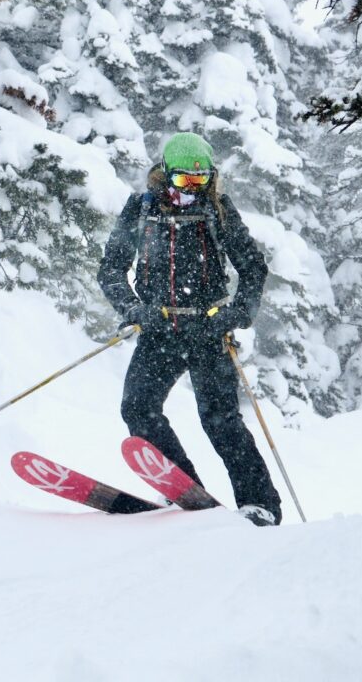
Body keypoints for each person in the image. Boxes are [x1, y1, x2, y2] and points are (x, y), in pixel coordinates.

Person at [97, 132, 282, 526]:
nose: (192, 190)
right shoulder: (141, 209)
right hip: (160, 328)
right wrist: (133, 308)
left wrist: (238, 312)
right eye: (183, 181)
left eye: (201, 181)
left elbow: (252, 267)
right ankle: (185, 490)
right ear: (165, 174)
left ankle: (261, 504)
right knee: (138, 408)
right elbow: (111, 268)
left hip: (207, 330)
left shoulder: (218, 210)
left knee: (220, 419)